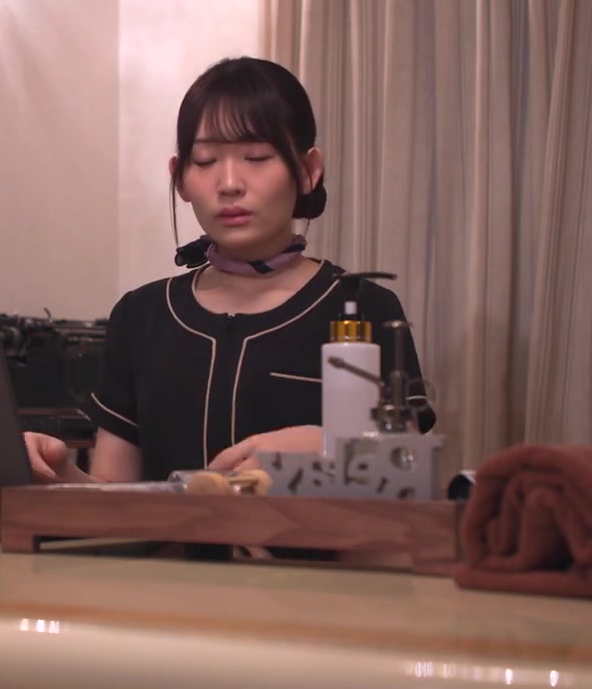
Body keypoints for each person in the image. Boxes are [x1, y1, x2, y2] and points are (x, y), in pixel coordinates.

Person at [26, 56, 434, 484]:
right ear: (179, 178)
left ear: (308, 171)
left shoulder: (364, 307)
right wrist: (58, 473)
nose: (230, 183)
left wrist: (329, 449)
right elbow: (114, 500)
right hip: (164, 534)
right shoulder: (141, 315)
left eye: (256, 157)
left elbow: (406, 477)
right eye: (205, 161)